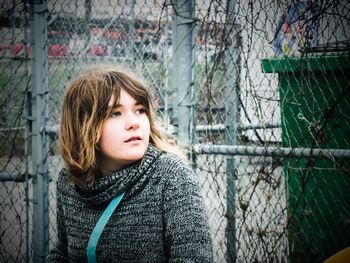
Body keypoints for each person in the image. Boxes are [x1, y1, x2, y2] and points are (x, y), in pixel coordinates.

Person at [48, 65, 213, 262]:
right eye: (115, 113)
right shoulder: (70, 183)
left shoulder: (171, 176)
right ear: (83, 126)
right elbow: (62, 254)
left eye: (140, 110)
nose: (134, 122)